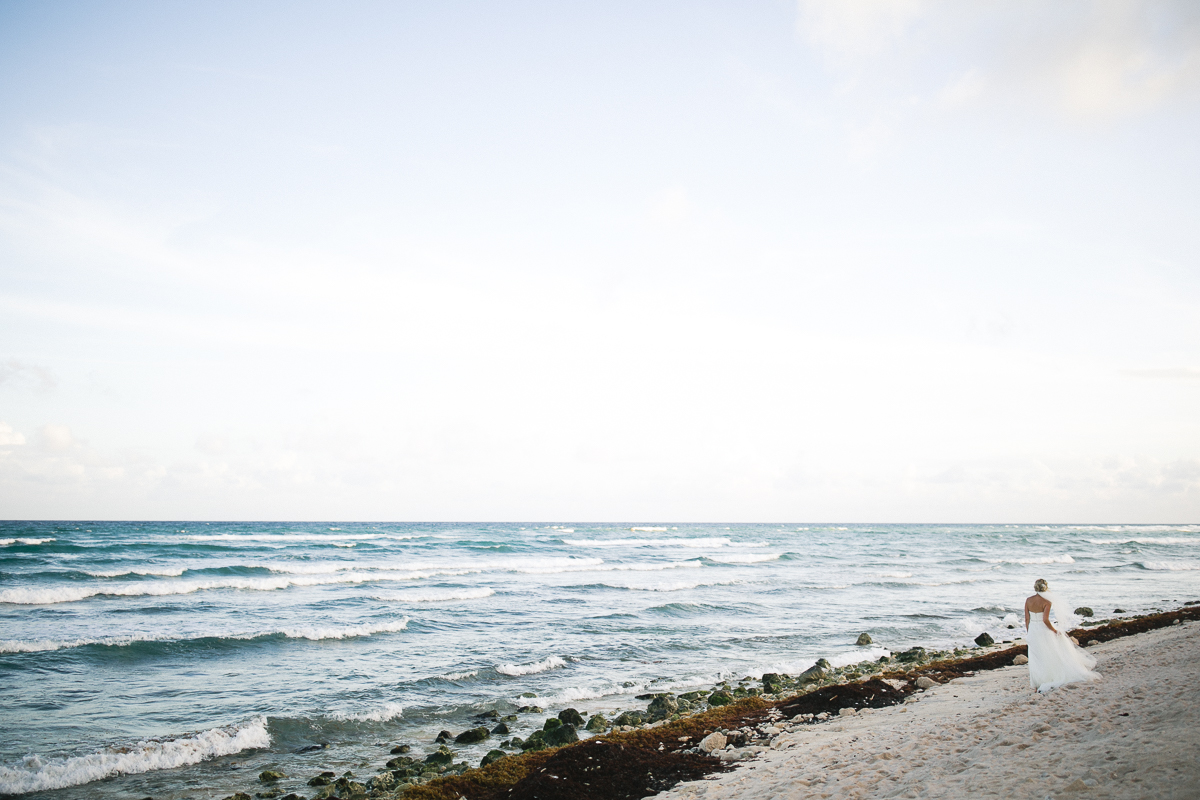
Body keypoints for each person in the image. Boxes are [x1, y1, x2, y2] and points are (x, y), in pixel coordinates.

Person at [1024, 578, 1100, 692]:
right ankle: (1048, 678)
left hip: (1033, 630)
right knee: (1048, 655)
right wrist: (1054, 631)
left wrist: (1029, 631)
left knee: (1036, 657)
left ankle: (1035, 684)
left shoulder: (1028, 600)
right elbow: (1045, 620)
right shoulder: (1047, 602)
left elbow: (1026, 618)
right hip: (1043, 630)